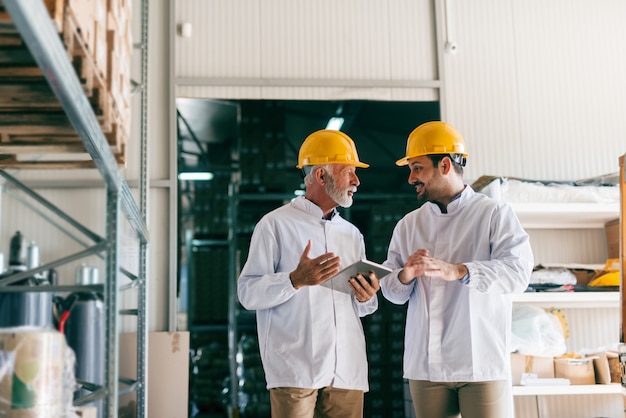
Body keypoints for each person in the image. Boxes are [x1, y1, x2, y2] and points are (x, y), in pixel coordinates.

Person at [380, 121, 534, 418]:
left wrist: (460, 271)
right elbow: (392, 293)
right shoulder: (408, 225)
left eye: (417, 168)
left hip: (481, 362)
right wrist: (404, 276)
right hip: (426, 366)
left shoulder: (494, 214)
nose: (411, 178)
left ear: (446, 165)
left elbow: (518, 273)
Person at [237, 129, 381, 418]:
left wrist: (366, 297)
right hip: (295, 369)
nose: (356, 181)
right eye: (348, 172)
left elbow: (363, 307)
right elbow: (247, 293)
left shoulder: (351, 234)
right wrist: (294, 280)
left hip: (347, 370)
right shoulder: (275, 225)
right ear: (321, 176)